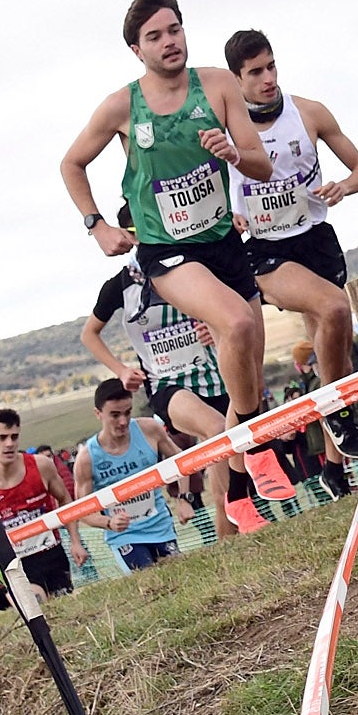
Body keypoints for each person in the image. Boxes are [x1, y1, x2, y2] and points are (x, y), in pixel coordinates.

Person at [61, 0, 295, 501]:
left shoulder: (219, 86)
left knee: (247, 361)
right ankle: (255, 449)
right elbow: (71, 164)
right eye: (155, 37)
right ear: (136, 49)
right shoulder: (123, 105)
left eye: (175, 30)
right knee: (233, 322)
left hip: (223, 241)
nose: (169, 42)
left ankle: (236, 475)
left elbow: (261, 164)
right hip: (166, 251)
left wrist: (233, 152)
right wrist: (97, 225)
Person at [221, 29, 358, 460]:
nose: (267, 78)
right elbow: (205, 188)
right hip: (266, 249)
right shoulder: (223, 131)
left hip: (316, 240)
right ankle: (335, 411)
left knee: (338, 360)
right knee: (334, 307)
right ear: (236, 81)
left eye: (271, 66)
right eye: (255, 72)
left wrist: (344, 187)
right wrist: (228, 214)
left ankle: (335, 466)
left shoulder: (308, 112)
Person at [79, 210, 233, 534]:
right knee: (217, 430)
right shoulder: (119, 286)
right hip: (166, 382)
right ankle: (229, 527)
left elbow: (231, 308)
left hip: (213, 375)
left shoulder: (192, 267)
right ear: (130, 234)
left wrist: (213, 328)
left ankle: (232, 524)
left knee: (232, 445)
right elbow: (88, 334)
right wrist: (121, 370)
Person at [75, 378, 188, 572]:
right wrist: (108, 522)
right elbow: (83, 511)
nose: (123, 421)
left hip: (161, 527)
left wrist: (184, 498)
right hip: (125, 537)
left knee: (179, 581)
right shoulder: (87, 457)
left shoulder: (149, 429)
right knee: (150, 585)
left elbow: (182, 462)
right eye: (115, 415)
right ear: (98, 414)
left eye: (127, 413)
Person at [0, 409, 78, 600]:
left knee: (64, 612)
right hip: (15, 564)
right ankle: (6, 594)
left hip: (51, 554)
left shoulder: (41, 466)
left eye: (14, 437)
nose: (9, 444)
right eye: (2, 437)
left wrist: (75, 541)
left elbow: (65, 500)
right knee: (36, 604)